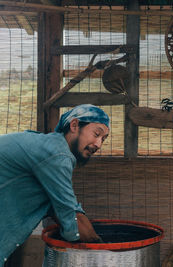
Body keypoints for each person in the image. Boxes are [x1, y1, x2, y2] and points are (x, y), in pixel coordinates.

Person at [0, 104, 110, 264]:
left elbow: (63, 208)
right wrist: (105, 251)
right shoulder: (57, 156)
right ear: (74, 125)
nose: (98, 144)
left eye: (103, 139)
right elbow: (71, 221)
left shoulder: (50, 147)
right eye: (96, 134)